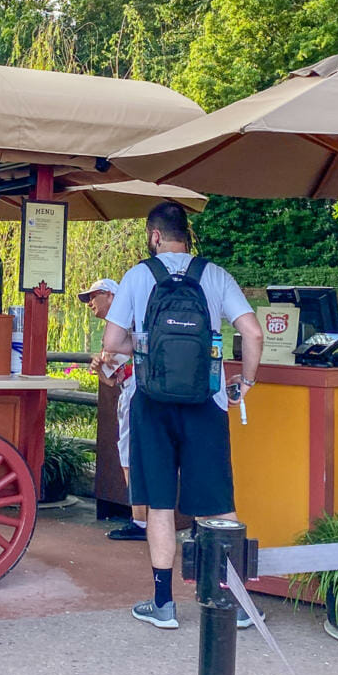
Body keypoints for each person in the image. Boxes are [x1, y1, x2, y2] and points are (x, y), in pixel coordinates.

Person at [101, 201, 263, 630]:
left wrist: (139, 347)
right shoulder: (214, 275)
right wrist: (245, 381)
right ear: (185, 234)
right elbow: (253, 331)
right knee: (219, 505)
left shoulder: (138, 276)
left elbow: (112, 340)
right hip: (207, 402)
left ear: (155, 236)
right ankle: (238, 605)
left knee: (158, 505)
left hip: (151, 403)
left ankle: (163, 605)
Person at [80, 278, 148, 541]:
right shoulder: (122, 325)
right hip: (130, 388)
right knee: (131, 454)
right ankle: (141, 517)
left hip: (137, 391)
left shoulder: (128, 323)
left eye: (93, 297)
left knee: (131, 454)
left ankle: (141, 521)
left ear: (110, 295)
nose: (90, 304)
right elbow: (111, 379)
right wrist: (100, 368)